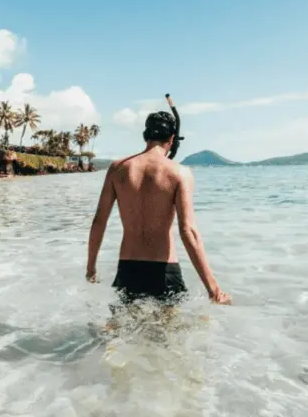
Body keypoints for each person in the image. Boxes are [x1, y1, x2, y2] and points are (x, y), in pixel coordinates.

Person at [85, 110, 232, 306]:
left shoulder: (117, 169)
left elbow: (99, 222)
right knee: (169, 335)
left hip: (128, 269)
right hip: (165, 270)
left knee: (123, 334)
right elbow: (188, 231)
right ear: (171, 139)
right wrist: (213, 288)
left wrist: (91, 268)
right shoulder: (180, 173)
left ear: (146, 136)